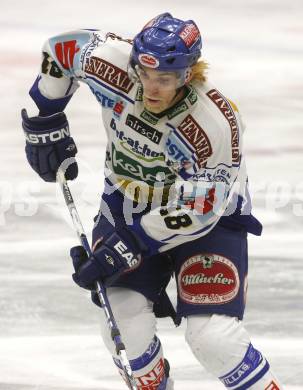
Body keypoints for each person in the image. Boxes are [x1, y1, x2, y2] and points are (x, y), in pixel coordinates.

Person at [21, 13, 283, 390]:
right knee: (123, 330)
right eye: (145, 75)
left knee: (214, 339)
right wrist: (46, 118)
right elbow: (59, 51)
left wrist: (129, 244)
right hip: (127, 201)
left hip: (209, 219)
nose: (151, 89)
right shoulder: (110, 61)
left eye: (164, 79)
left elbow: (200, 210)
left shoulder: (214, 124)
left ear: (189, 74)